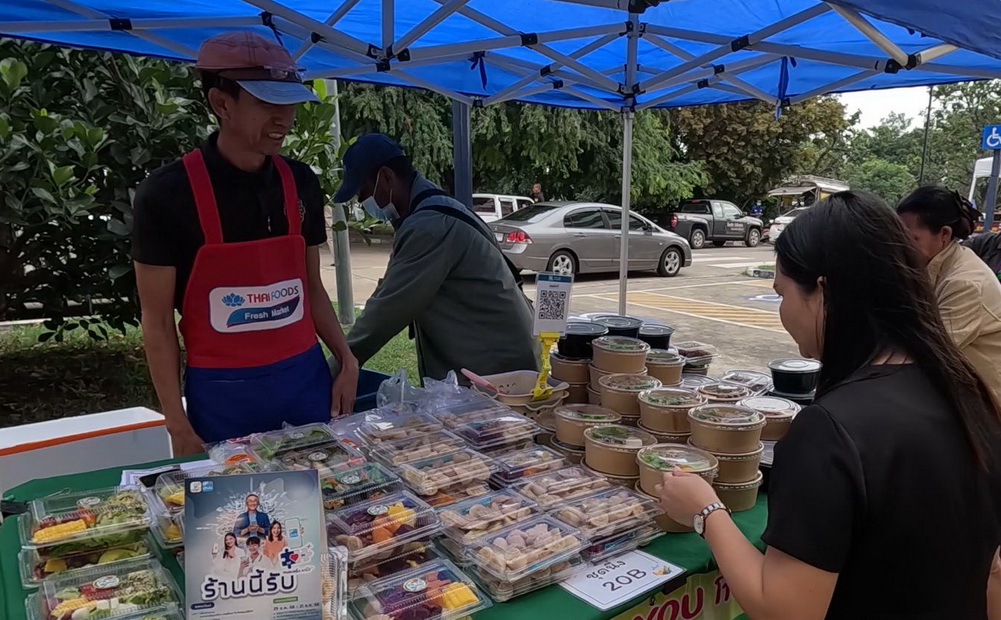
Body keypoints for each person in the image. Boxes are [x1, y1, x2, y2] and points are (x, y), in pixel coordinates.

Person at [658, 192, 1001, 619]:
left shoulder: (831, 429)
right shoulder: (968, 392)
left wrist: (705, 512)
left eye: (782, 293)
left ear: (823, 291)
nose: (783, 311)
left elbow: (784, 609)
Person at [132, 31, 358, 455]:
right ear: (221, 104)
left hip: (304, 381)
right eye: (268, 104)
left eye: (290, 103)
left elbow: (310, 286)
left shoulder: (300, 182)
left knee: (327, 490)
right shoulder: (166, 194)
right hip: (222, 397)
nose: (284, 118)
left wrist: (346, 359)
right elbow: (157, 321)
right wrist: (177, 425)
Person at [333, 134, 538, 381]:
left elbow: (386, 312)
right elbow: (391, 289)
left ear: (386, 177)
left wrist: (335, 369)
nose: (363, 203)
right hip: (500, 356)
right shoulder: (433, 207)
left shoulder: (429, 226)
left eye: (364, 193)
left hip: (498, 369)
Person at [896, 186, 1001, 402]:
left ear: (944, 234)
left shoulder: (964, 283)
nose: (901, 247)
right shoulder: (935, 265)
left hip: (988, 403)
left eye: (911, 239)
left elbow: (928, 354)